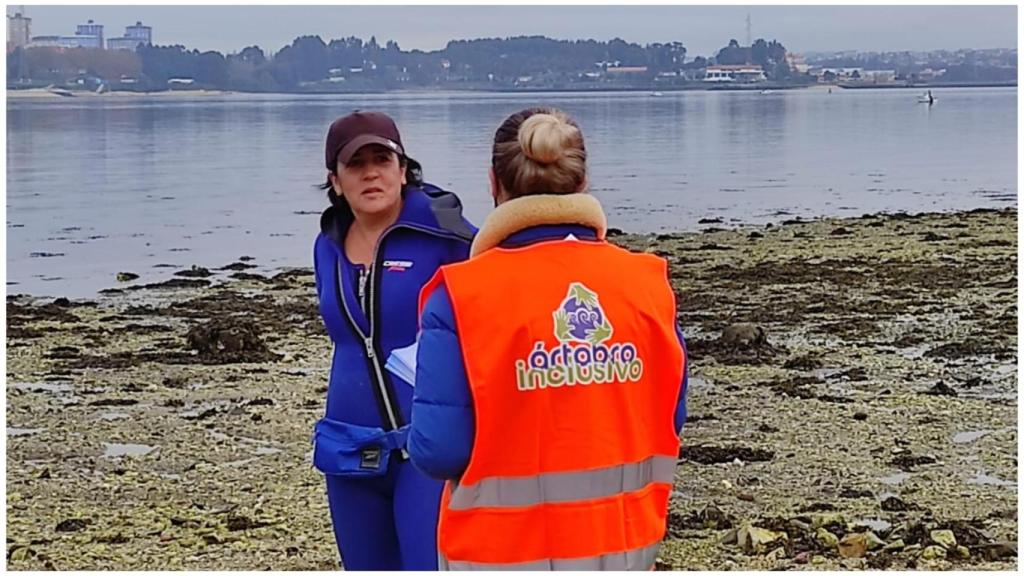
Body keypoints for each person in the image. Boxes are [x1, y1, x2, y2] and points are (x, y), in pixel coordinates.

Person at [408, 107, 689, 570]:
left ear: (494, 182)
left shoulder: (461, 294)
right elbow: (670, 415)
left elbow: (439, 450)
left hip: (499, 555)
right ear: (582, 181)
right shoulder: (648, 284)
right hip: (622, 548)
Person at [311, 111, 475, 570]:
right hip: (347, 451)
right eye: (355, 163)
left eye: (381, 159)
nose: (370, 173)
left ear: (403, 170)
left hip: (423, 453)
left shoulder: (447, 237)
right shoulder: (327, 245)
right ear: (336, 181)